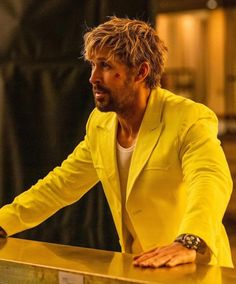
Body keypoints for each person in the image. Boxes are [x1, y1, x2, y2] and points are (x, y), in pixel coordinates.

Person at [0, 16, 233, 268]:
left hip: (195, 268)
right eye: (92, 65)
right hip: (142, 267)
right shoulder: (101, 125)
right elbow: (60, 185)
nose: (93, 78)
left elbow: (210, 179)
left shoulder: (188, 117)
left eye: (106, 66)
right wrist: (4, 221)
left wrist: (189, 241)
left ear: (141, 72)